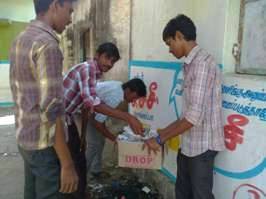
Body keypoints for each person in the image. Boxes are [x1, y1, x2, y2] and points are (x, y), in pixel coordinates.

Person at [144, 14, 225, 199]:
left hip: (202, 146)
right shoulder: (190, 65)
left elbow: (193, 117)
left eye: (169, 43)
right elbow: (188, 114)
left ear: (179, 36)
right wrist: (162, 134)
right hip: (188, 142)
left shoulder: (202, 64)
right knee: (182, 192)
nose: (169, 50)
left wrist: (160, 139)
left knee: (200, 195)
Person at [9, 0, 78, 199]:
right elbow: (52, 110)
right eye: (69, 11)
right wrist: (67, 164)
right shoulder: (47, 45)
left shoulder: (21, 38)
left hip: (25, 139)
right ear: (56, 5)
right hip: (44, 145)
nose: (70, 19)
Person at [63, 43, 144, 198]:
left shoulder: (96, 74)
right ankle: (76, 190)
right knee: (82, 155)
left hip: (70, 116)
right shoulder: (89, 70)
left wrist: (83, 135)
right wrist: (127, 118)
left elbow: (87, 107)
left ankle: (81, 185)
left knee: (84, 149)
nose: (109, 64)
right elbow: (93, 106)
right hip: (60, 117)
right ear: (97, 54)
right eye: (107, 58)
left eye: (113, 61)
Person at [85, 78, 147, 178]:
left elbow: (101, 117)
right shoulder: (116, 96)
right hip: (83, 107)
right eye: (134, 97)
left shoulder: (119, 86)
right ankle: (80, 176)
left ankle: (96, 170)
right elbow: (97, 122)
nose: (133, 101)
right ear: (128, 91)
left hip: (92, 109)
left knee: (100, 140)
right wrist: (114, 139)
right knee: (94, 144)